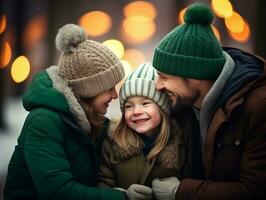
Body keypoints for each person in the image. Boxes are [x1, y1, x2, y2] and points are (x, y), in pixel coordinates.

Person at [150, 3, 266, 200]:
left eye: (164, 77)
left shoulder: (258, 107)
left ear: (195, 75)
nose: (157, 85)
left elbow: (254, 190)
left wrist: (179, 191)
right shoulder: (182, 104)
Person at [4, 24, 127, 200]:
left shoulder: (91, 120)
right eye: (108, 88)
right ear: (87, 89)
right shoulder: (43, 122)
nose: (115, 95)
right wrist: (122, 198)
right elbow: (58, 193)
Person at [97, 63, 185, 200]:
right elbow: (103, 183)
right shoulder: (112, 142)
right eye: (128, 106)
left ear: (163, 109)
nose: (137, 112)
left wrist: (177, 192)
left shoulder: (181, 143)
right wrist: (122, 194)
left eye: (145, 103)